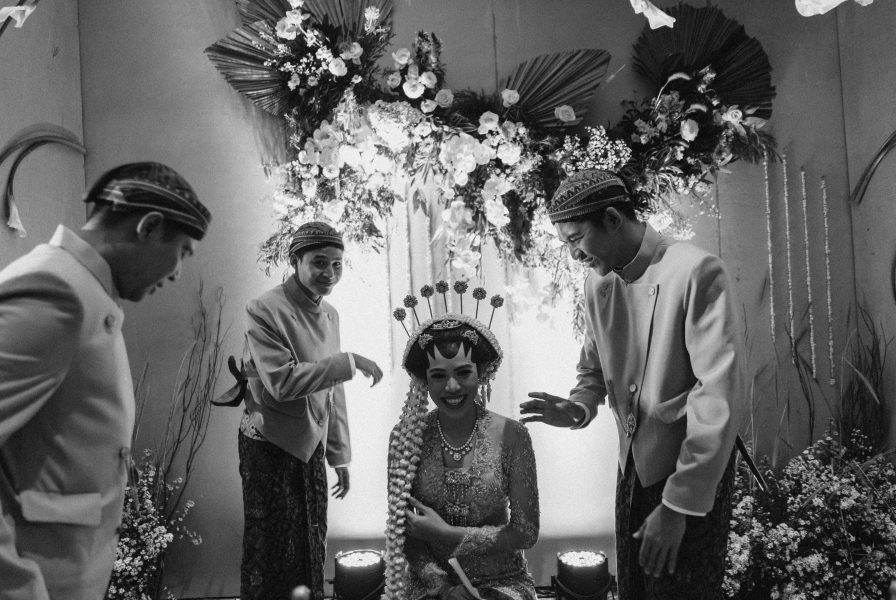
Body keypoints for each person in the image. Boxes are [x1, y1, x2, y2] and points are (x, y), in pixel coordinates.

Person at [520, 169, 746, 599]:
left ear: (611, 218)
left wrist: (678, 506)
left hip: (688, 471)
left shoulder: (696, 270)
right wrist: (577, 407)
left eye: (575, 239)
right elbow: (592, 370)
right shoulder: (597, 282)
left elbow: (719, 397)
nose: (573, 255)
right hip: (631, 473)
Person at [0, 162, 211, 600]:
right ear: (149, 226)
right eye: (183, 252)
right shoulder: (54, 287)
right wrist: (17, 584)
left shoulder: (85, 289)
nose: (177, 273)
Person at [238, 221, 383, 600]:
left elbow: (330, 390)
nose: (329, 273)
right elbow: (281, 383)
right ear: (294, 260)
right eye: (319, 262)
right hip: (270, 445)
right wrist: (349, 362)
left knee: (311, 543)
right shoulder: (263, 308)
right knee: (274, 551)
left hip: (311, 446)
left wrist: (339, 455)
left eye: (337, 264)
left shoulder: (330, 313)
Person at [385, 292, 539, 600]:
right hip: (430, 584)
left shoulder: (513, 435)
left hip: (502, 580)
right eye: (438, 376)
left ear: (481, 373)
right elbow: (403, 533)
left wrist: (448, 534)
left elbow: (526, 533)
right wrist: (443, 589)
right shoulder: (406, 436)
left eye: (463, 373)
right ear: (424, 380)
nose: (452, 386)